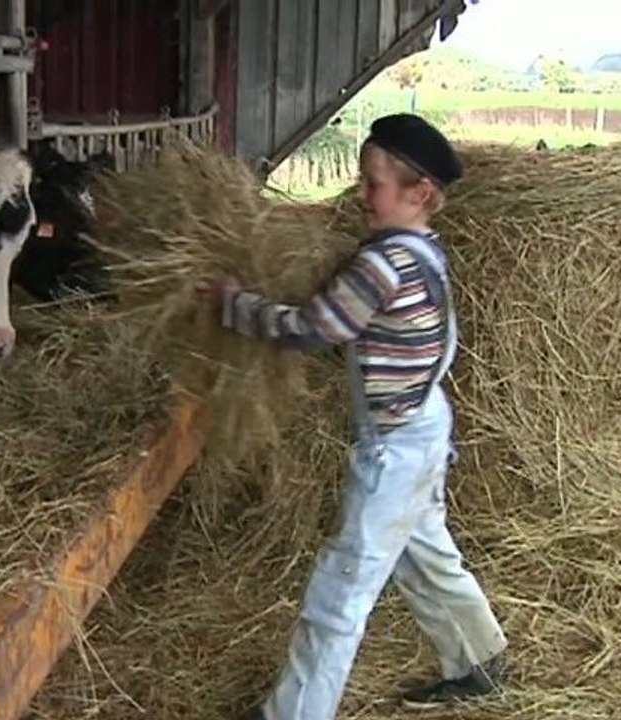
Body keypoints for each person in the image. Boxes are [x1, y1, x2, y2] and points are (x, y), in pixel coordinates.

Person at [196, 113, 508, 719]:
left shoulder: (382, 264)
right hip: (424, 420)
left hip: (396, 443)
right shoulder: (424, 253)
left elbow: (315, 328)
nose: (361, 195)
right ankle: (477, 659)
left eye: (373, 184)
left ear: (419, 194)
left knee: (343, 589)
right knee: (425, 551)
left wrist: (236, 305)